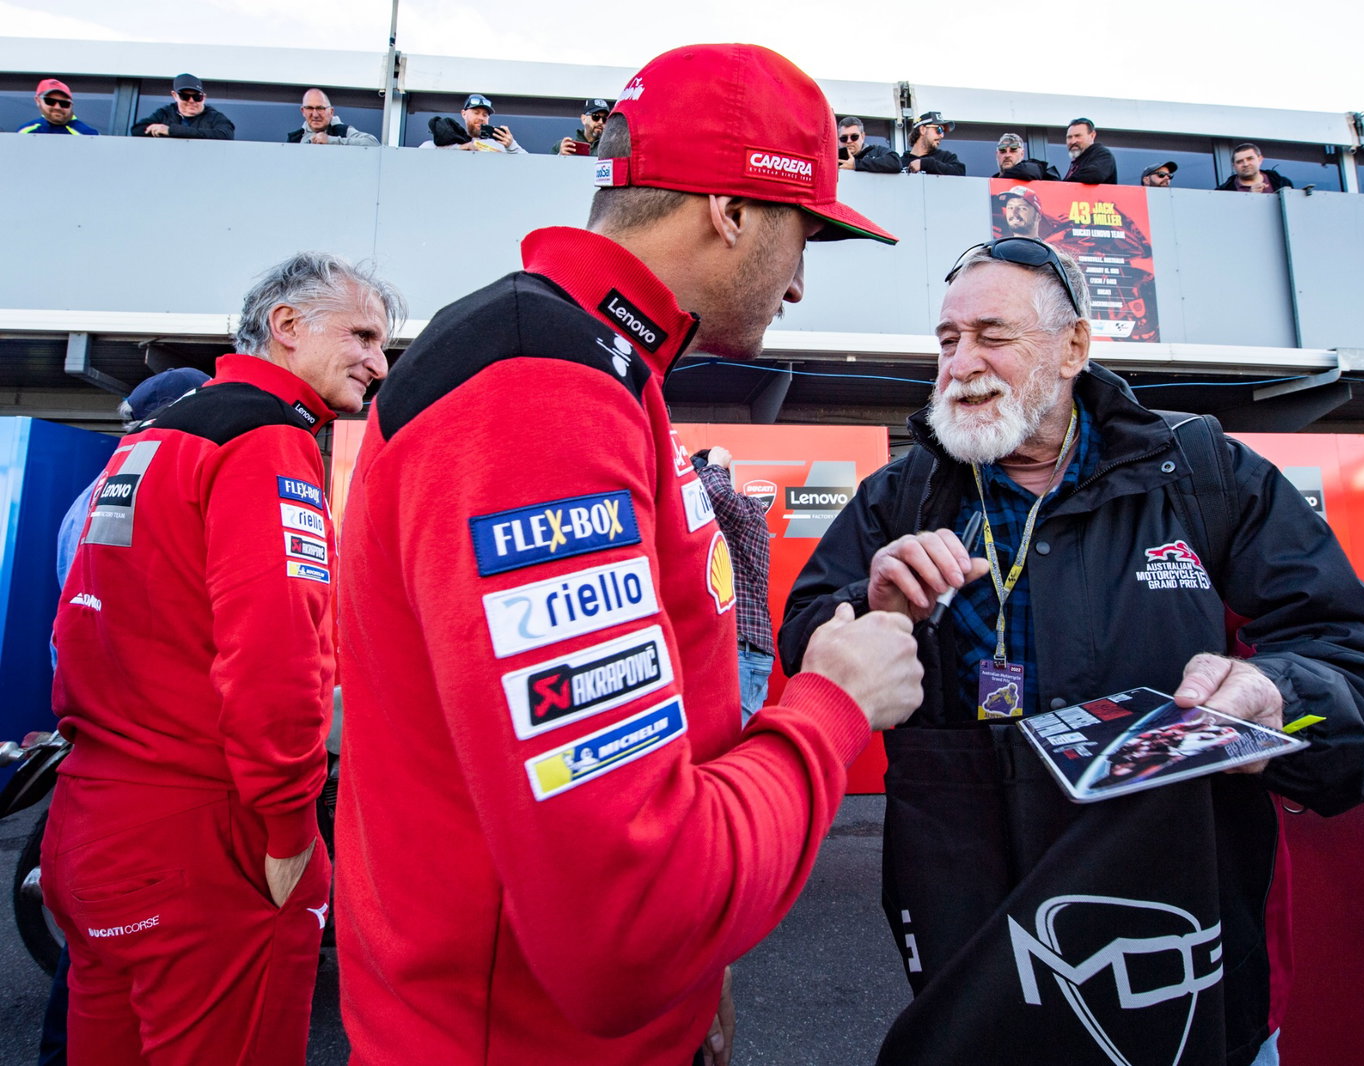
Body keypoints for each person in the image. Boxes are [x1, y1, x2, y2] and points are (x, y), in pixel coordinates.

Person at [335, 41, 924, 1066]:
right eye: (803, 238)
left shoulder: (596, 368)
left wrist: (705, 975)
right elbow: (629, 919)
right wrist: (833, 704)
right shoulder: (538, 384)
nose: (795, 289)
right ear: (731, 214)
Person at [780, 237, 1364, 1065]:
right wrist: (873, 608)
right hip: (968, 924)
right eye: (947, 340)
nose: (960, 364)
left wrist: (1274, 691)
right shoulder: (901, 493)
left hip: (1179, 935)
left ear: (1074, 348)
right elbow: (804, 637)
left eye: (992, 336)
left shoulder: (1203, 474)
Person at [43, 252, 403, 1065]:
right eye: (363, 335)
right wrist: (287, 834)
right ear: (286, 327)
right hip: (203, 841)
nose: (379, 364)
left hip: (94, 820)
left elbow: (79, 626)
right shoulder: (263, 437)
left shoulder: (158, 438)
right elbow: (277, 656)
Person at [38, 366, 212, 1066]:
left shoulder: (99, 492)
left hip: (98, 742)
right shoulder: (148, 491)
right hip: (145, 756)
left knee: (102, 943)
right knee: (129, 945)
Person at [693, 446, 776, 725]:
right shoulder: (710, 530)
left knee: (734, 744)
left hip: (744, 651)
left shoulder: (748, 509)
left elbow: (716, 493)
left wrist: (714, 463)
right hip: (728, 652)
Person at [132, 74, 235, 139]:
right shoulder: (165, 113)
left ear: (204, 97)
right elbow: (138, 130)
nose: (191, 101)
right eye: (185, 96)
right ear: (174, 96)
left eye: (196, 97)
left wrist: (170, 131)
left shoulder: (214, 117)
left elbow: (225, 134)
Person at [419, 93, 523, 153]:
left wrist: (511, 145)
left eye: (485, 115)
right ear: (464, 114)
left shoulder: (498, 145)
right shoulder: (453, 139)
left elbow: (531, 164)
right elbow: (423, 150)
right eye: (476, 113)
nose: (481, 118)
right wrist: (460, 147)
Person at [287, 88, 378, 146]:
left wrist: (331, 141)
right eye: (310, 108)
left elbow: (373, 143)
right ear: (303, 111)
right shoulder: (295, 139)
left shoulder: (343, 131)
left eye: (320, 108)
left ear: (331, 112)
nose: (315, 114)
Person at [15, 78, 97, 136]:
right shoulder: (26, 132)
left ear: (72, 105)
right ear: (38, 100)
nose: (57, 107)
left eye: (64, 103)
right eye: (50, 101)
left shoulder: (88, 135)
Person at [1216, 143, 1294, 193]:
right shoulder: (1223, 192)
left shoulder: (1283, 183)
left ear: (1260, 159)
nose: (1245, 164)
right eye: (1239, 161)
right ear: (1234, 166)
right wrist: (1250, 197)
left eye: (1250, 159)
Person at [1063, 117, 1116, 184]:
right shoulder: (1079, 160)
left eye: (1078, 136)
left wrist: (1064, 184)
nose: (1073, 141)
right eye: (1069, 137)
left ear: (1092, 135)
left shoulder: (1103, 154)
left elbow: (1095, 174)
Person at [992, 132, 1059, 181]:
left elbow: (1028, 171)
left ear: (1022, 154)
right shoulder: (988, 184)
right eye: (1003, 151)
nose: (1007, 155)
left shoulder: (1031, 168)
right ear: (996, 155)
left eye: (1013, 150)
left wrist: (1001, 179)